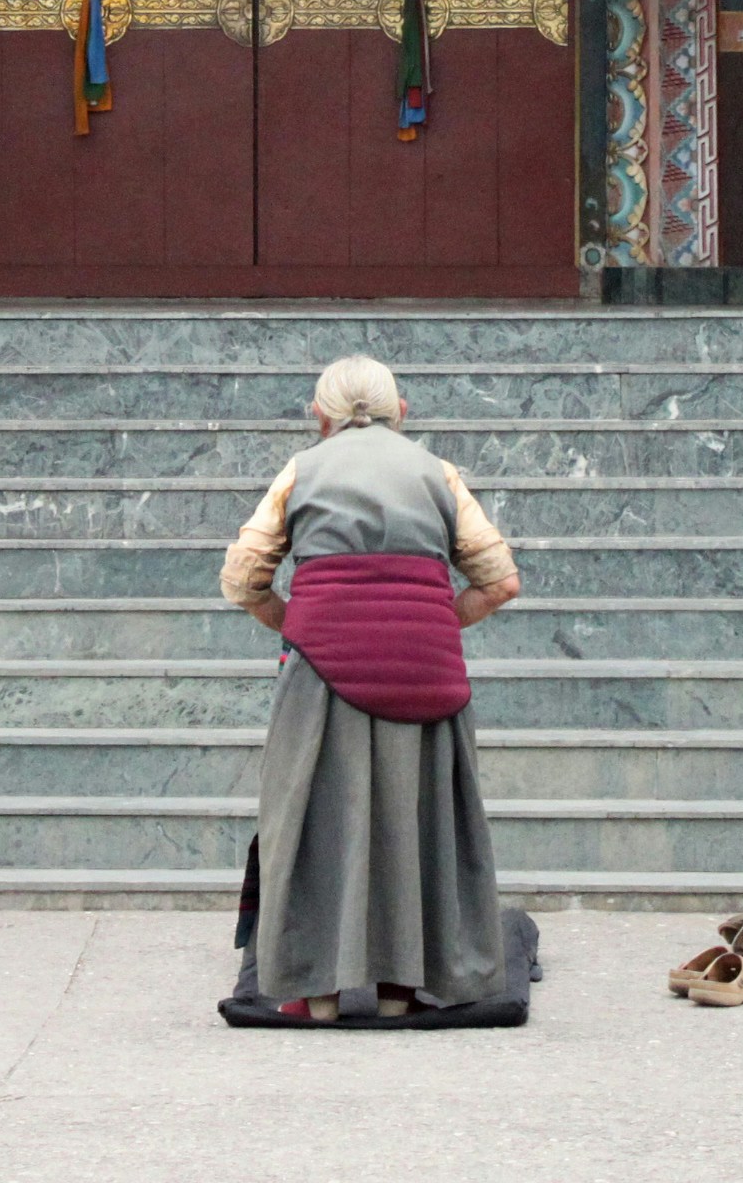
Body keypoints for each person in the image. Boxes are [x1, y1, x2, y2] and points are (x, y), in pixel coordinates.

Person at [220, 354, 524, 1020]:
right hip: (425, 671)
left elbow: (243, 577)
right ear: (402, 413)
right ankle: (400, 991)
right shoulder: (437, 473)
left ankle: (317, 994)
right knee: (413, 821)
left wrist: (296, 625)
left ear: (322, 418)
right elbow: (501, 581)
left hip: (321, 673)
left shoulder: (303, 469)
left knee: (313, 820)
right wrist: (434, 616)